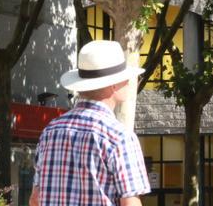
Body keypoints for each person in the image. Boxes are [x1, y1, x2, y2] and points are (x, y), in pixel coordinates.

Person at [29, 40, 150, 206]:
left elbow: (35, 199)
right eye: (126, 78)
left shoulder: (50, 131)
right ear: (114, 85)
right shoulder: (119, 137)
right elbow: (130, 203)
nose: (129, 82)